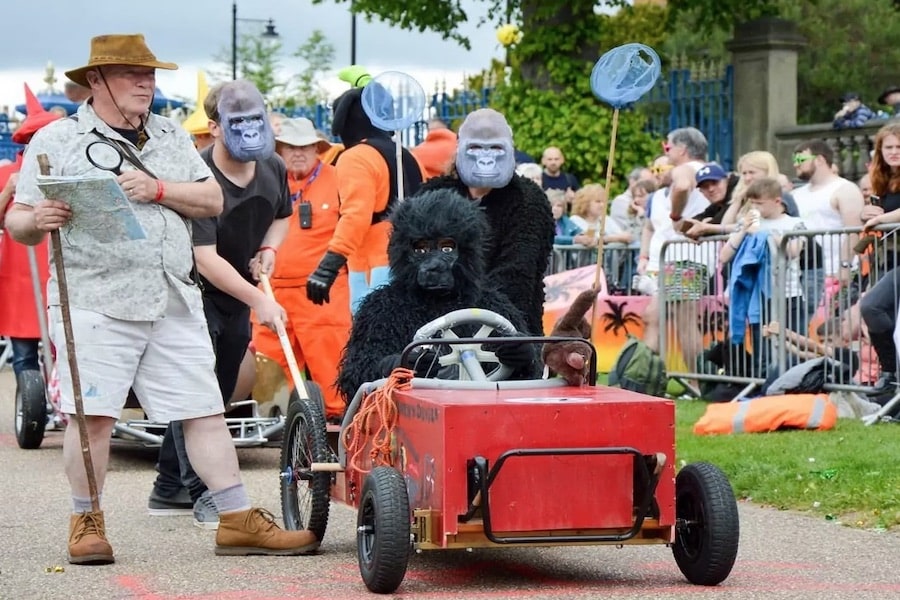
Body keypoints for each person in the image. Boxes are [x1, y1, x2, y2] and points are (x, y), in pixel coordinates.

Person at [6, 33, 318, 565]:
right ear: (97, 80)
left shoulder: (171, 135)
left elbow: (211, 197)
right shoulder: (57, 140)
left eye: (150, 74)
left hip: (172, 295)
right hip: (94, 297)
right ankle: (87, 520)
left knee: (203, 410)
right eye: (133, 73)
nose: (146, 82)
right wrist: (36, 220)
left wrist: (156, 189)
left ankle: (237, 518)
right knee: (93, 416)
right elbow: (17, 220)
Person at [150, 79, 294, 530]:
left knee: (222, 387)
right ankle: (205, 495)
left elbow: (282, 217)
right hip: (195, 293)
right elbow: (205, 260)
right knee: (200, 394)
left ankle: (167, 487)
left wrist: (269, 251)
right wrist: (260, 301)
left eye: (257, 118)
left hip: (237, 297)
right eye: (240, 121)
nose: (251, 130)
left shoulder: (272, 165)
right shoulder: (199, 176)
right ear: (213, 127)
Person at [337, 189, 539, 402]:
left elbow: (527, 383)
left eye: (446, 248)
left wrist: (524, 360)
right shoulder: (382, 308)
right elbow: (354, 380)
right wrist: (396, 366)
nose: (433, 264)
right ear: (403, 251)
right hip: (407, 422)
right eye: (421, 249)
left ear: (467, 250)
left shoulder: (492, 305)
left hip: (483, 416)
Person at [417, 108, 554, 336]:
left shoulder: (528, 200)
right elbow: (416, 264)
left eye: (495, 148)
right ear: (461, 148)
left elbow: (516, 275)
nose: (486, 157)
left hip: (509, 332)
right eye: (477, 147)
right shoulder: (433, 195)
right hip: (435, 328)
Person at [251, 117, 351, 422]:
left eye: (306, 146)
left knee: (329, 360)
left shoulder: (338, 179)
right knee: (270, 361)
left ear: (317, 148)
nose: (298, 152)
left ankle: (335, 423)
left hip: (322, 291)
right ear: (279, 150)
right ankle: (278, 424)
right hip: (272, 289)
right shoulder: (265, 178)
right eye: (291, 147)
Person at [307, 84, 425, 314]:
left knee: (373, 340)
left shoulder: (355, 157)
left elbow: (355, 215)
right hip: (415, 261)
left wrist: (329, 265)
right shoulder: (409, 156)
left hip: (374, 266)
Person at [0, 85, 59, 382]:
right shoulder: (7, 173)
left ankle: (60, 404)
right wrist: (9, 190)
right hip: (19, 278)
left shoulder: (65, 172)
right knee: (24, 355)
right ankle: (32, 410)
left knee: (63, 349)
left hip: (59, 276)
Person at [858, 122, 900, 394]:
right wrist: (868, 215)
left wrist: (882, 218)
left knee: (872, 306)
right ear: (880, 151)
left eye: (899, 146)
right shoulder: (880, 181)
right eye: (889, 147)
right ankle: (890, 374)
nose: (895, 151)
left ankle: (890, 373)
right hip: (891, 258)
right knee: (874, 309)